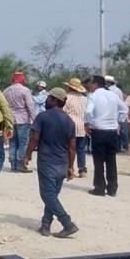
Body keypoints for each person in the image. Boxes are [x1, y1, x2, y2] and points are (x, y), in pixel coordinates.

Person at [23, 88, 79, 238]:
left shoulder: (43, 117)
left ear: (54, 100)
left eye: (49, 98)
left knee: (47, 195)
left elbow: (34, 138)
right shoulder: (69, 121)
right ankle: (45, 225)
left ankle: (67, 223)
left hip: (47, 161)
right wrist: (71, 166)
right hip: (63, 162)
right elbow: (72, 148)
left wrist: (27, 155)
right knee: (52, 195)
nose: (47, 100)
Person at [85, 75, 129, 197]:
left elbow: (88, 111)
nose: (89, 86)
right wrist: (119, 122)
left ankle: (99, 187)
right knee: (111, 160)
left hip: (99, 130)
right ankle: (112, 188)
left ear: (95, 84)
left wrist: (89, 123)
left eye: (90, 83)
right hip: (112, 131)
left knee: (98, 161)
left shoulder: (93, 96)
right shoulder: (113, 95)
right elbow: (124, 109)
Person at [3, 72, 35, 172]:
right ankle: (21, 163)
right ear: (22, 80)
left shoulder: (6, 91)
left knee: (12, 142)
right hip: (23, 119)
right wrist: (35, 119)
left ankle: (13, 163)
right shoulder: (25, 90)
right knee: (23, 143)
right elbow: (30, 106)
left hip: (10, 119)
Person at [62, 77, 89, 178]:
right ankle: (82, 169)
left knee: (69, 148)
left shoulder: (67, 97)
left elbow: (63, 111)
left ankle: (69, 168)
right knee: (81, 148)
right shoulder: (85, 99)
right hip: (81, 124)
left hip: (69, 123)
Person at [106, 76, 129, 153]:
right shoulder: (118, 90)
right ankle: (120, 147)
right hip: (118, 113)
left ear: (108, 82)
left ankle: (115, 147)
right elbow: (122, 102)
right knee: (119, 131)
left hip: (112, 113)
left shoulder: (109, 90)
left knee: (114, 131)